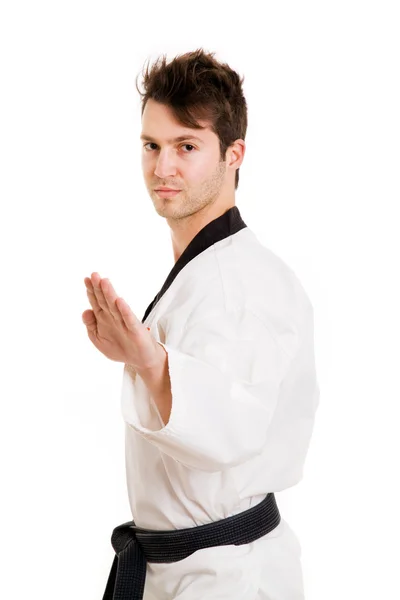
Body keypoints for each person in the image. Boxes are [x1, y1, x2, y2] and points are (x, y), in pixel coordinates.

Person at [82, 48, 320, 600]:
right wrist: (141, 360)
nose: (163, 168)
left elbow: (233, 430)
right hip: (194, 568)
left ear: (233, 154)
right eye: (152, 146)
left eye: (186, 146)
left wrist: (147, 361)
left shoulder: (235, 287)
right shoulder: (212, 268)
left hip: (223, 579)